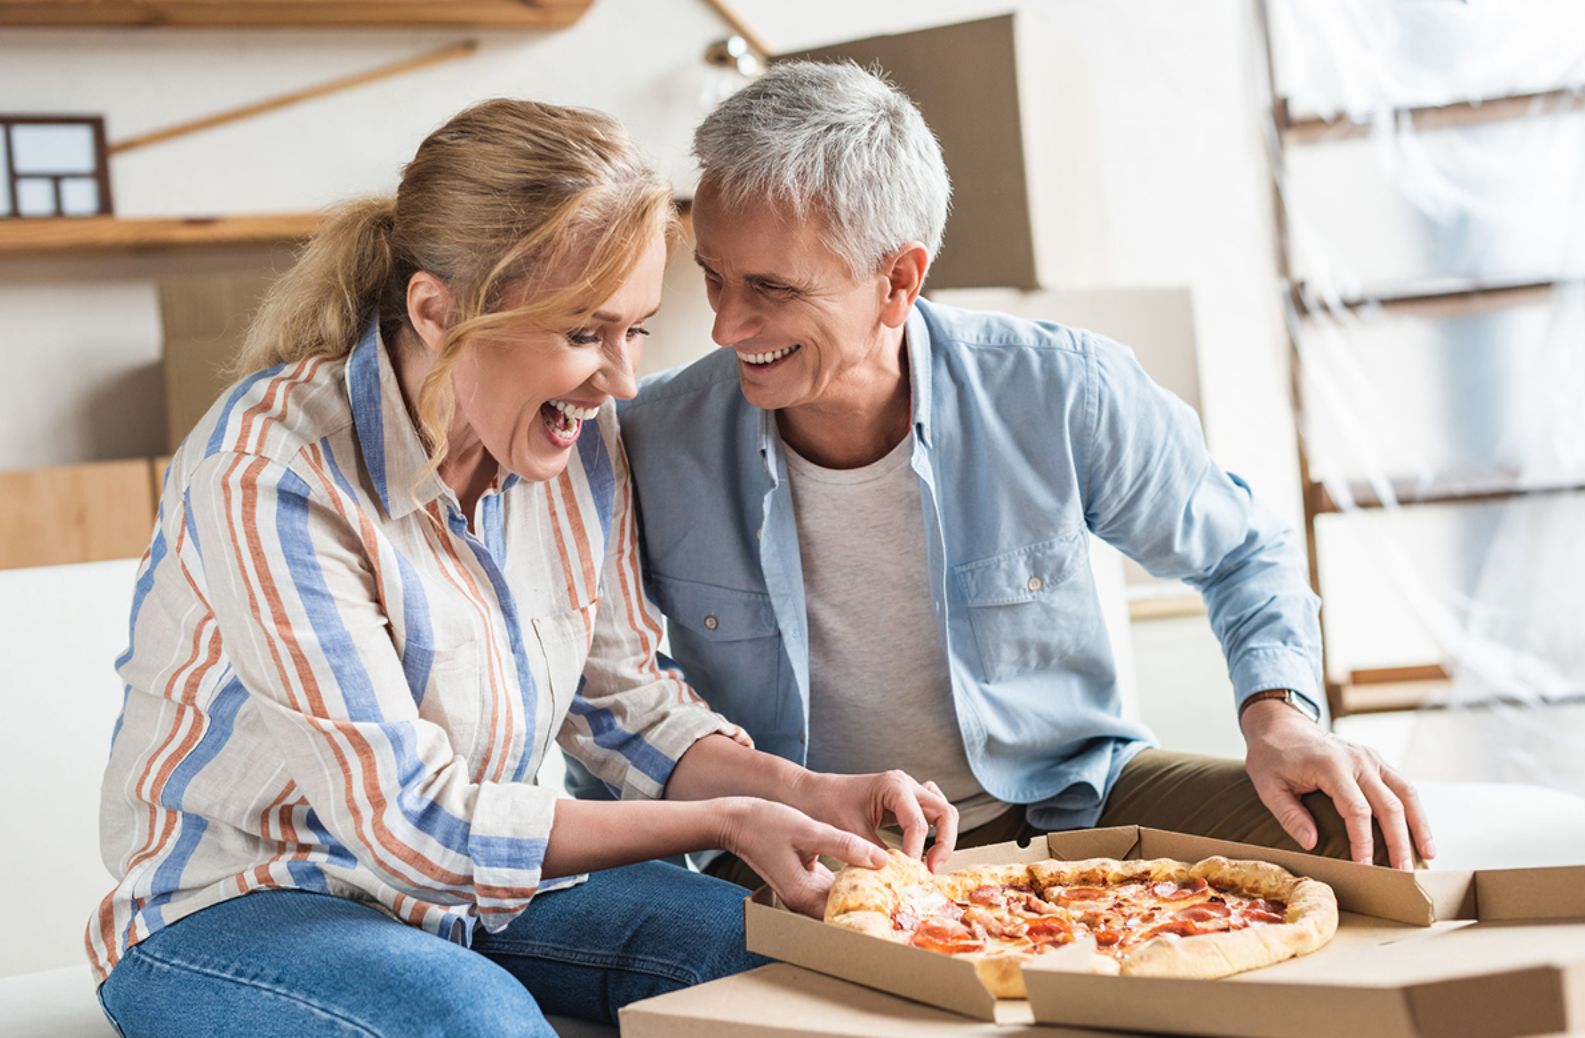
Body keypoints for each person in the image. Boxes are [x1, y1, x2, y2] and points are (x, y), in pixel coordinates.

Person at [88, 98, 956, 1038]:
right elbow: (411, 826)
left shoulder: (577, 440)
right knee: (480, 1023)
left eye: (637, 330)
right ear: (438, 310)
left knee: (817, 956)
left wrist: (805, 794)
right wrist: (728, 822)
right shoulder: (273, 475)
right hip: (243, 904)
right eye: (584, 334)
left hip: (477, 898)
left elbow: (625, 708)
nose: (622, 379)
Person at [609, 62, 1436, 891]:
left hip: (1065, 809)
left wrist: (1280, 716)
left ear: (898, 281)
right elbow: (607, 687)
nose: (724, 324)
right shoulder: (649, 437)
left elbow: (1240, 553)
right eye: (713, 276)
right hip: (802, 849)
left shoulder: (1062, 388)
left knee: (1357, 838)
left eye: (771, 289)